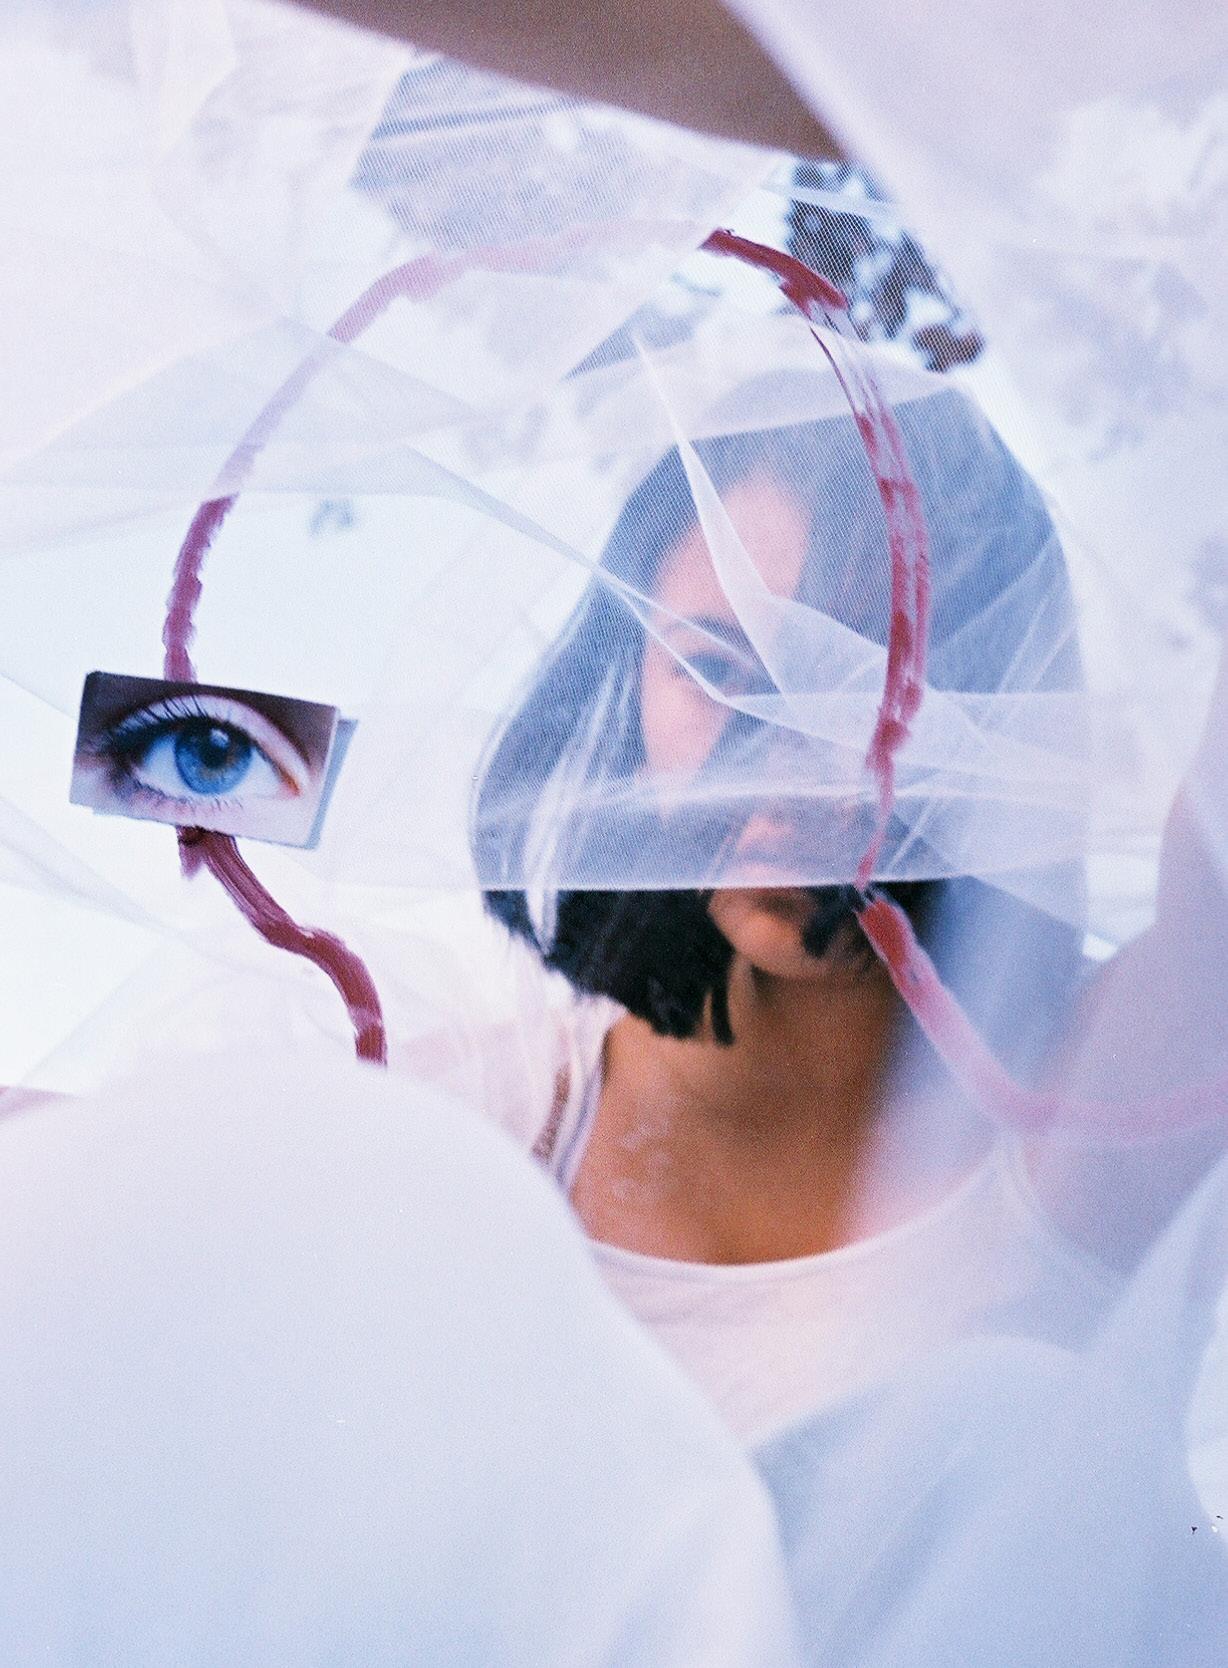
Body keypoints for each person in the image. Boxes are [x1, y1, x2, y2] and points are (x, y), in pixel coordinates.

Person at [467, 381, 1228, 1443]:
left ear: (994, 700)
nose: (786, 763)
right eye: (716, 672)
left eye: (870, 684)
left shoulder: (1095, 1112)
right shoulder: (484, 1121)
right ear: (626, 675)